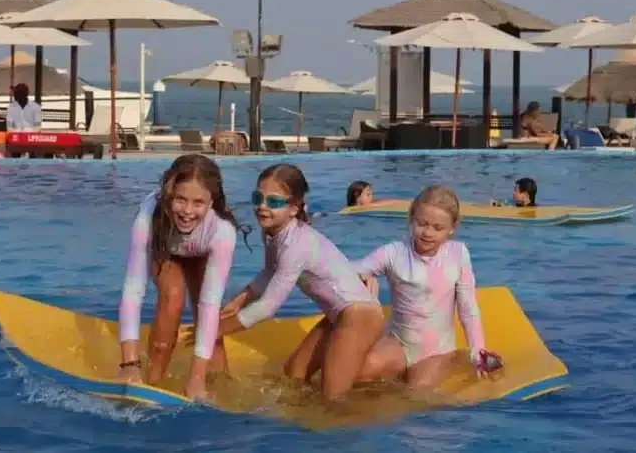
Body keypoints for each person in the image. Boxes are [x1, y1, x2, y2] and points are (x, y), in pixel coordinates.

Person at [200, 163, 385, 401]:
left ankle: (375, 404)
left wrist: (214, 331)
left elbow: (268, 307)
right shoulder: (272, 232)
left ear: (294, 209)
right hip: (340, 315)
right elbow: (268, 273)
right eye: (258, 198)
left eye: (274, 202)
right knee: (293, 377)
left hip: (360, 317)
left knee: (332, 399)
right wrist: (237, 303)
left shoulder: (296, 245)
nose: (262, 207)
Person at [118, 154, 249, 400]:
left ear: (212, 202)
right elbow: (133, 289)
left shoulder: (222, 230)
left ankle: (217, 387)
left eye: (198, 202)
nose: (188, 211)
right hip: (165, 247)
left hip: (200, 251)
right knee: (172, 298)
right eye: (180, 199)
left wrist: (196, 379)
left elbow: (209, 306)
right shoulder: (149, 216)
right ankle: (152, 382)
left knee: (208, 319)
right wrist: (129, 364)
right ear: (168, 194)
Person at [354, 186, 501, 390]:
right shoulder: (394, 253)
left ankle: (453, 360)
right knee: (357, 374)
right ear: (411, 218)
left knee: (416, 392)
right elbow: (347, 272)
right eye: (421, 223)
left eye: (438, 228)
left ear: (452, 228)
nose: (428, 233)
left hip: (436, 351)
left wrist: (478, 350)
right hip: (398, 344)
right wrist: (363, 277)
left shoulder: (458, 254)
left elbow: (468, 308)